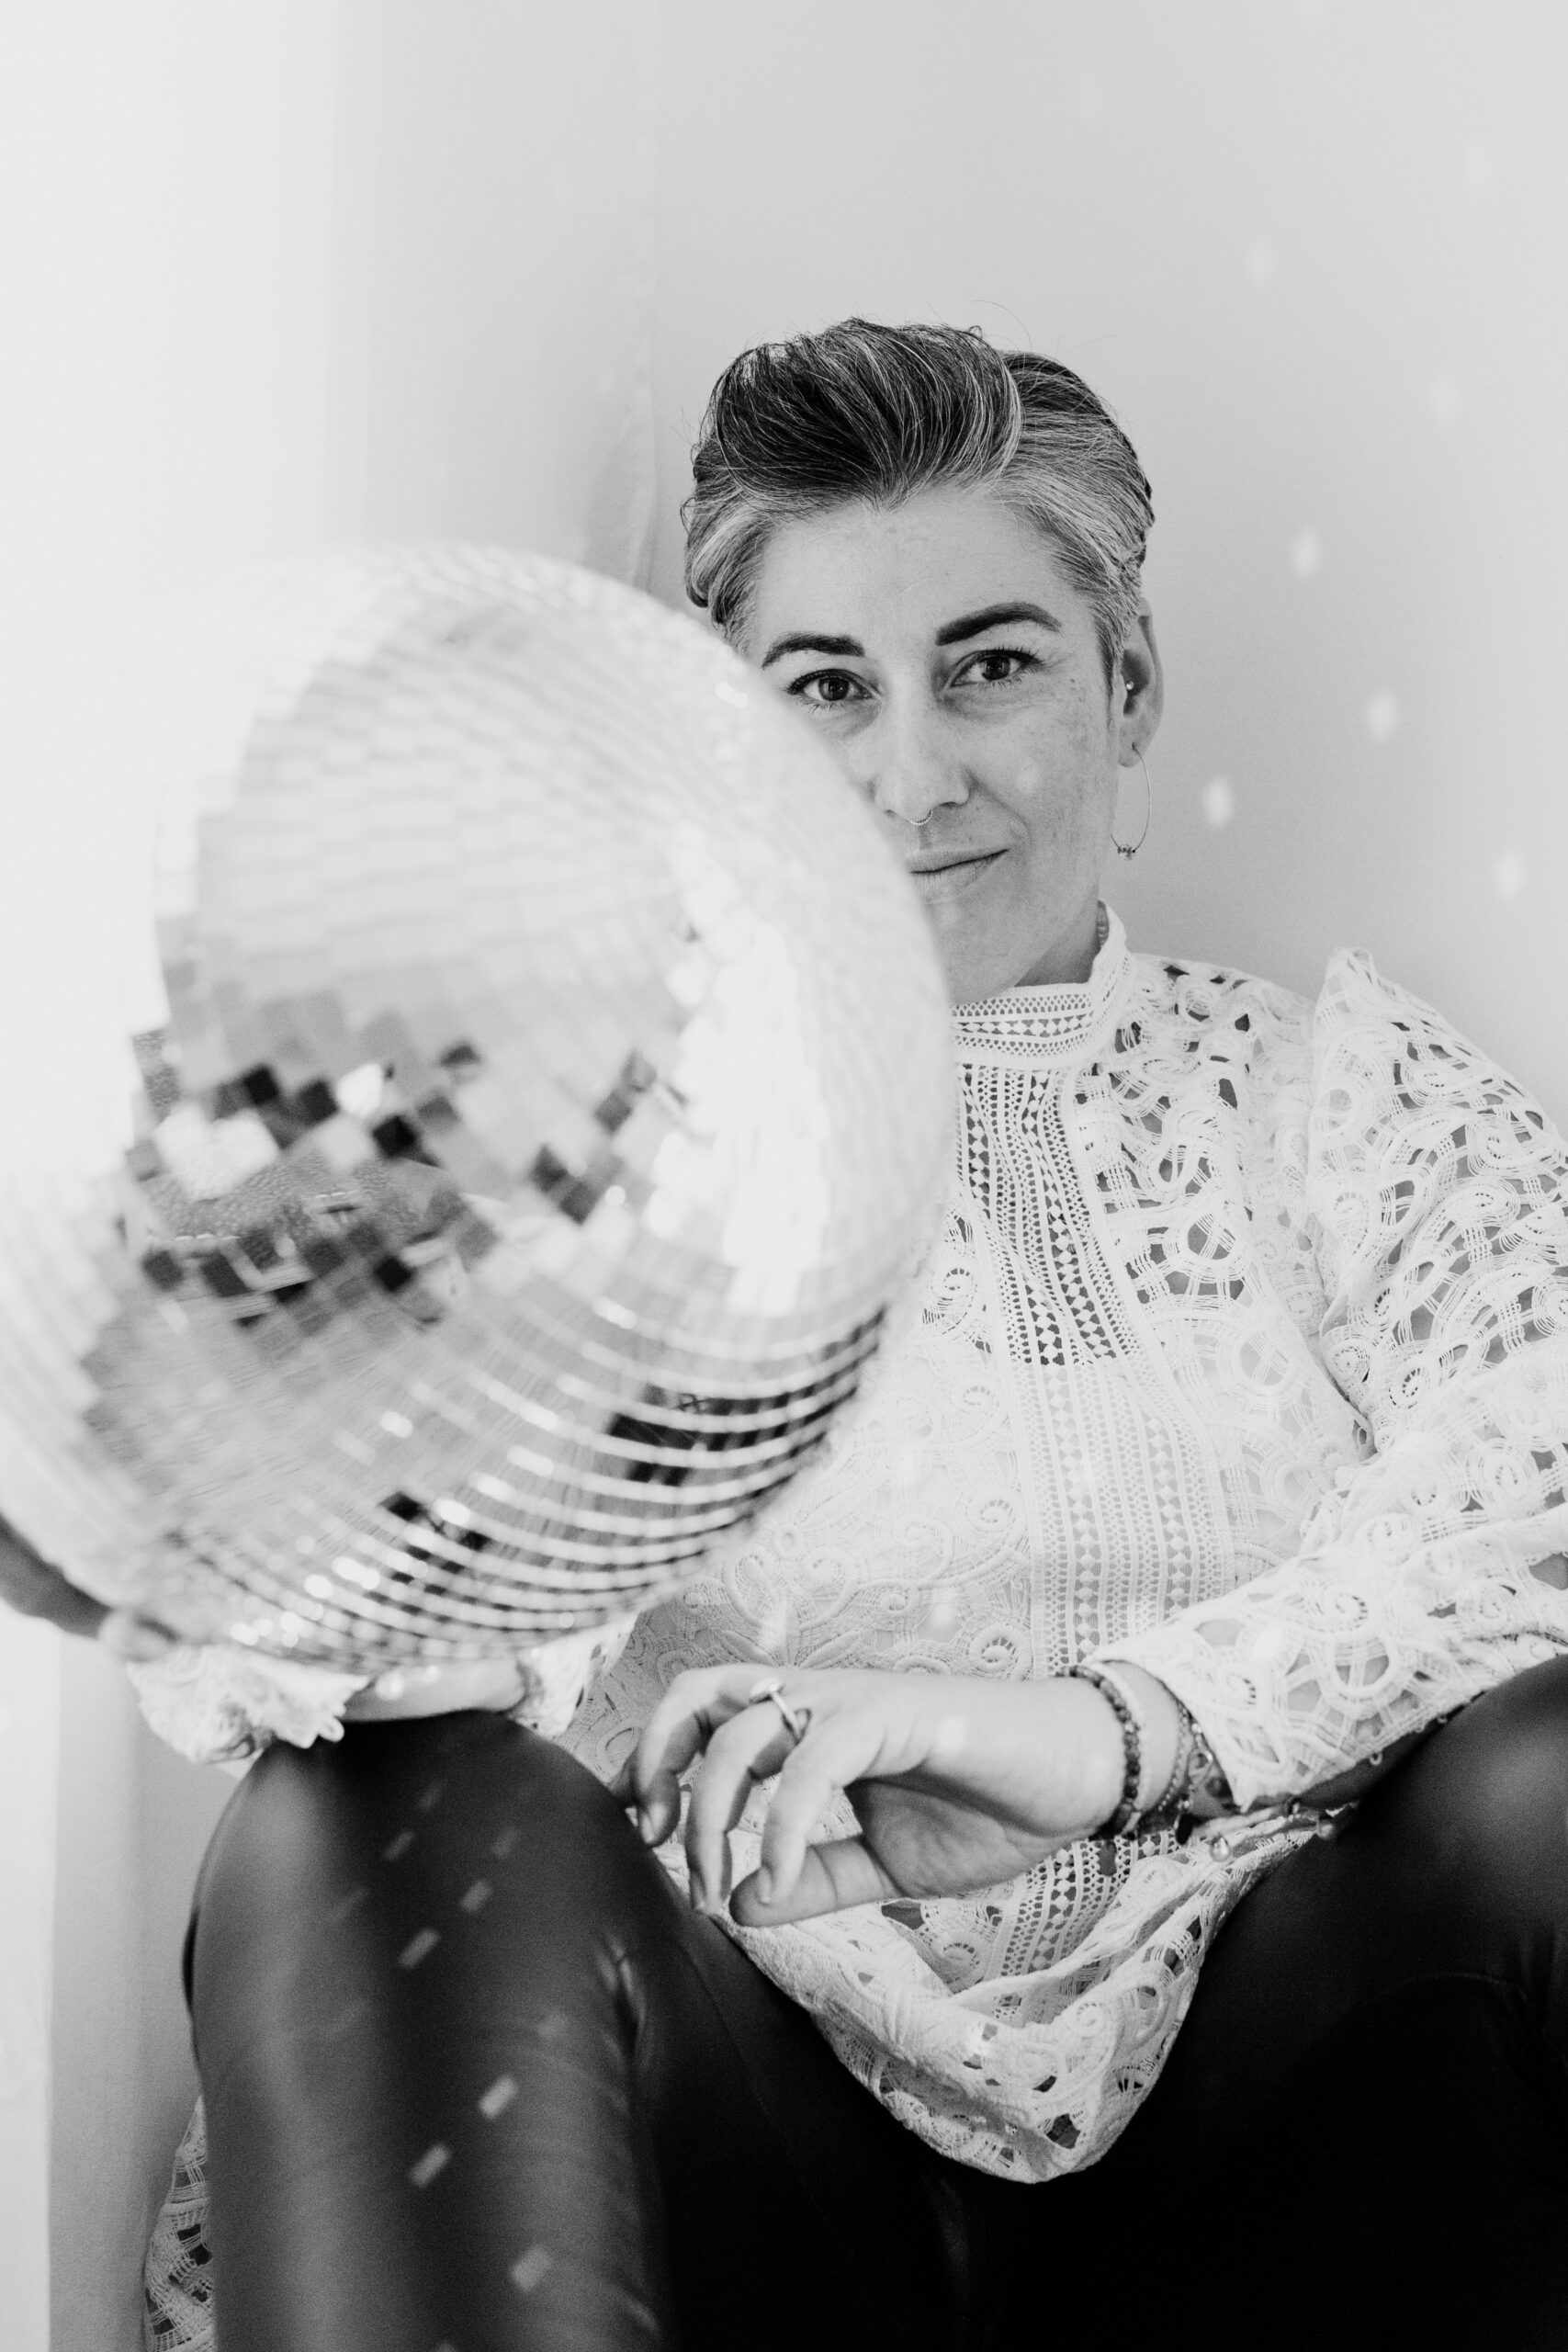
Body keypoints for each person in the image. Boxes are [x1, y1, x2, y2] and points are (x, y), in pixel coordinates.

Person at [42, 319, 1568, 2349]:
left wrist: (1106, 1732)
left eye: (990, 665)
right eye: (824, 686)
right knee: (368, 1811)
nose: (907, 774)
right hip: (750, 2170)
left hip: (1304, 2166)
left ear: (1127, 683)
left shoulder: (1339, 1100)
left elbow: (1541, 1476)